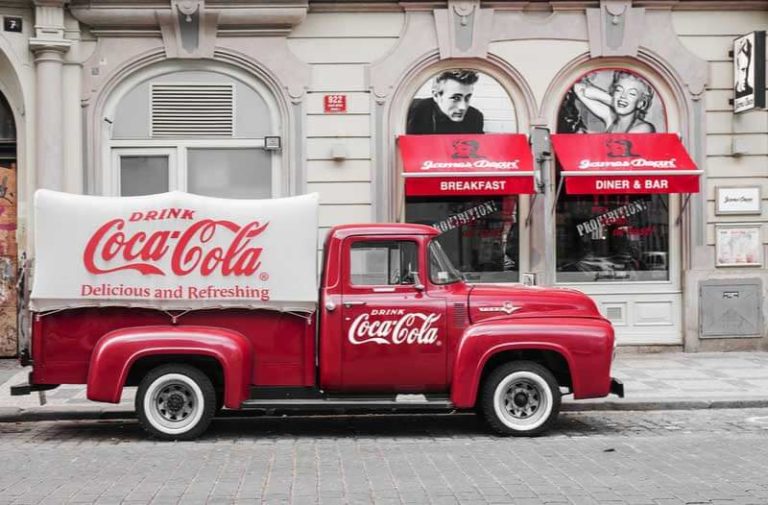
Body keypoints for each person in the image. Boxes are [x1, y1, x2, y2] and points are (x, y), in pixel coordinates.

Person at [572, 70, 656, 133]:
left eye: (631, 94)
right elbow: (579, 88)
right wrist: (615, 101)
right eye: (619, 90)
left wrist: (619, 101)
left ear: (641, 103)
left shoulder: (645, 128)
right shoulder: (611, 119)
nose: (623, 96)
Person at [406, 70, 484, 134]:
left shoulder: (475, 117)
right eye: (456, 98)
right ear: (436, 95)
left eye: (467, 97)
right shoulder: (413, 111)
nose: (463, 107)